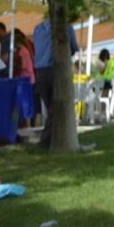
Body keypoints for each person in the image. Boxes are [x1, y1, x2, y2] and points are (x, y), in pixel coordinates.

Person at [32, 18, 79, 148]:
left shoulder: (37, 29)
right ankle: (45, 142)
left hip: (39, 73)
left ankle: (52, 140)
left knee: (51, 109)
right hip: (55, 71)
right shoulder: (65, 27)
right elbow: (73, 48)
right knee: (55, 110)